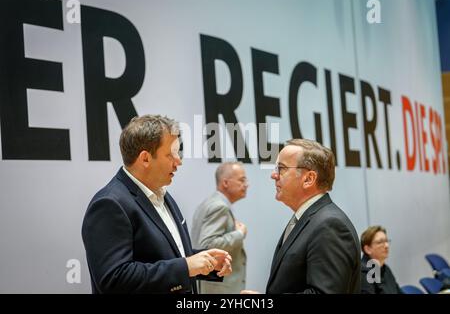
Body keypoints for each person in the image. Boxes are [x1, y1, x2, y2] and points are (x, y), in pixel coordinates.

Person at [82, 115, 232, 293]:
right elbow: (114, 279)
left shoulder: (162, 195)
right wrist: (185, 267)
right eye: (172, 154)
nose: (179, 161)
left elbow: (164, 253)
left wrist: (206, 261)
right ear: (145, 158)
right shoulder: (109, 204)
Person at [241, 139, 360, 294]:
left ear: (309, 179)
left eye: (281, 168)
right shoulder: (310, 219)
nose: (273, 175)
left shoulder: (330, 226)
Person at [191, 162, 248, 293]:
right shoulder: (219, 206)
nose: (246, 185)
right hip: (218, 288)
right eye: (241, 180)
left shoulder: (209, 203)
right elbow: (208, 245)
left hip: (209, 284)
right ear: (225, 183)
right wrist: (239, 233)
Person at [360, 225, 402, 294]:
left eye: (386, 241)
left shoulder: (385, 269)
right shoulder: (363, 274)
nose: (386, 246)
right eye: (380, 242)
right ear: (367, 249)